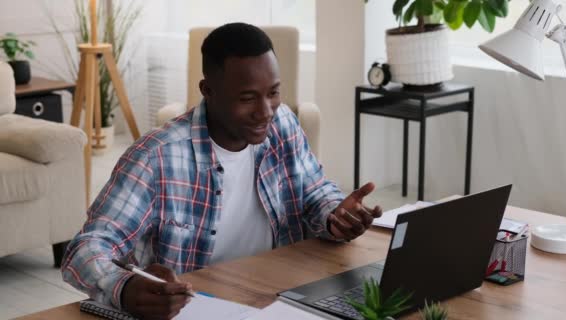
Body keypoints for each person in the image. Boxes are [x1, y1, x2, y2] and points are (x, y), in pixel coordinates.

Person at [62, 22, 383, 320]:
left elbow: (314, 191)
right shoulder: (156, 158)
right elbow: (85, 249)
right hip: (196, 307)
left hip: (282, 295)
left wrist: (335, 216)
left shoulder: (283, 123)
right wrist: (125, 287)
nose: (266, 111)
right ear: (208, 90)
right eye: (247, 98)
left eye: (273, 92)